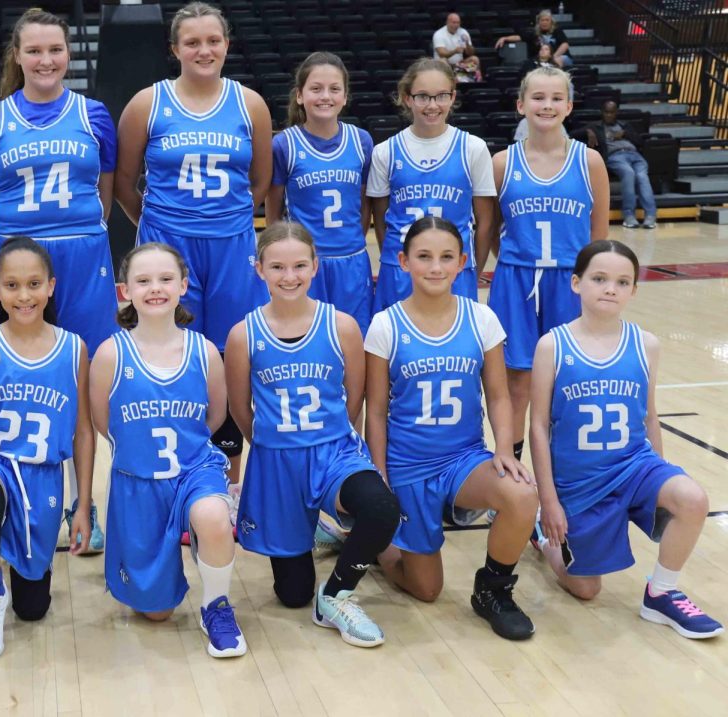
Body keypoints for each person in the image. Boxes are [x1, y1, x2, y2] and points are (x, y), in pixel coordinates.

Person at [0, 8, 115, 553]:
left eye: (54, 50)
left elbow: (104, 191)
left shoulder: (93, 114)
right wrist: (15, 251)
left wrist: (75, 234)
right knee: (13, 381)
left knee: (83, 385)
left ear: (67, 55)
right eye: (34, 51)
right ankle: (14, 496)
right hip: (18, 257)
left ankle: (85, 504)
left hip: (82, 252)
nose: (45, 60)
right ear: (18, 56)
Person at [114, 1, 272, 495]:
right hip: (168, 241)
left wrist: (225, 223)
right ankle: (166, 468)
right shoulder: (148, 103)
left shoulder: (250, 104)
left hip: (231, 246)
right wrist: (159, 232)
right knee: (167, 353)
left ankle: (224, 486)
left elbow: (260, 182)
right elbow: (122, 181)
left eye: (213, 40)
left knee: (229, 358)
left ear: (226, 44)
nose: (204, 50)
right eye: (192, 42)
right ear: (175, 49)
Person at [530, 240, 723, 639]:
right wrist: (548, 500)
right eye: (599, 279)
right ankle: (542, 535)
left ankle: (662, 593)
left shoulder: (645, 344)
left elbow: (650, 416)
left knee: (692, 498)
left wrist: (664, 480)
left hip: (635, 466)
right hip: (579, 483)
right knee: (586, 589)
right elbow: (538, 427)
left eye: (622, 281)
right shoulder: (553, 345)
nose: (610, 289)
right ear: (576, 283)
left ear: (634, 290)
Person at [225, 222, 400, 648]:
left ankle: (336, 597)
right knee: (291, 595)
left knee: (381, 507)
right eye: (278, 266)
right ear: (259, 269)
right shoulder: (243, 334)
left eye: (300, 265)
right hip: (276, 464)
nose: (290, 276)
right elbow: (239, 409)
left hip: (333, 454)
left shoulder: (341, 326)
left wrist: (334, 440)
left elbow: (354, 398)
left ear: (315, 266)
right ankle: (323, 532)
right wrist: (273, 442)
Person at [369, 216, 539, 641]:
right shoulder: (386, 325)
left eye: (447, 257)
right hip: (407, 466)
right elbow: (374, 412)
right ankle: (378, 546)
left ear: (464, 262)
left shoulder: (481, 318)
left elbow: (500, 396)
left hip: (463, 458)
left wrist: (503, 448)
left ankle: (493, 589)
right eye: (424, 257)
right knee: (426, 589)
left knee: (522, 495)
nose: (436, 267)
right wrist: (379, 478)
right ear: (403, 261)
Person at [90, 242, 246, 658]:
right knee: (157, 613)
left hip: (194, 469)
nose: (155, 288)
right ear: (125, 291)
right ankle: (180, 556)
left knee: (213, 515)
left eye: (165, 279)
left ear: (183, 285)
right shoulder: (109, 354)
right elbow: (103, 424)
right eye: (143, 281)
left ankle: (216, 606)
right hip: (138, 482)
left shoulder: (204, 350)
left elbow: (214, 417)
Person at [0, 237, 95, 663]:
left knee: (32, 609)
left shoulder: (73, 348)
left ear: (51, 286)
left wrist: (82, 503)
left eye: (33, 284)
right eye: (11, 285)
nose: (23, 295)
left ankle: (15, 582)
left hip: (42, 475)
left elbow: (83, 433)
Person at [490, 66, 609, 461]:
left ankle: (564, 474)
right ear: (520, 104)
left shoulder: (589, 161)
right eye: (538, 97)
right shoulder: (502, 163)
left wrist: (593, 288)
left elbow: (600, 239)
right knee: (517, 383)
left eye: (556, 98)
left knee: (568, 380)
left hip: (569, 283)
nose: (547, 105)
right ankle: (510, 468)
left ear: (569, 105)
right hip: (516, 281)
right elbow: (489, 230)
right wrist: (512, 261)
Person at [367, 57, 494, 312]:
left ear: (452, 97)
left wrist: (469, 268)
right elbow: (380, 220)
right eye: (423, 96)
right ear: (407, 98)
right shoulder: (385, 152)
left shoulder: (473, 148)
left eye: (441, 96)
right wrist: (397, 261)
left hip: (454, 269)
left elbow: (486, 221)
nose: (432, 105)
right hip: (400, 270)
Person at [267, 51, 376, 335]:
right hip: (304, 262)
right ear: (300, 95)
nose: (325, 96)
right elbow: (273, 208)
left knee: (353, 337)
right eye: (315, 89)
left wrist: (354, 241)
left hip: (351, 259)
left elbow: (364, 203)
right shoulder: (284, 144)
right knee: (306, 336)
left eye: (334, 89)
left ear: (344, 96)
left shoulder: (361, 141)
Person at [584, 101, 657, 229]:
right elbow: (574, 132)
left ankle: (650, 215)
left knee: (642, 177)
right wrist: (589, 131)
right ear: (602, 113)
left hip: (634, 155)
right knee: (629, 173)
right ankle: (629, 215)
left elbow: (640, 141)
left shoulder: (625, 126)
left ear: (616, 113)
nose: (609, 115)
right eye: (606, 112)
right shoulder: (596, 127)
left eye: (612, 112)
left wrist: (625, 134)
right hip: (615, 156)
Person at [496, 9, 572, 68]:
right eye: (542, 20)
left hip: (559, 57)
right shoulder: (534, 33)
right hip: (542, 59)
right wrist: (505, 38)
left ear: (551, 22)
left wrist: (553, 57)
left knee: (558, 60)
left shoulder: (557, 31)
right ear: (538, 22)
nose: (544, 22)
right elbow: (519, 37)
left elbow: (564, 45)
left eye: (547, 20)